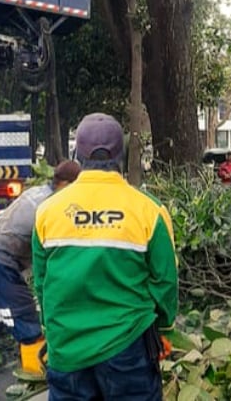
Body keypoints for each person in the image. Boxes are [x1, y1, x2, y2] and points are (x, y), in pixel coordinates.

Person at [33, 112, 178, 400]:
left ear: (77, 155)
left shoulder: (48, 211)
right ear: (122, 155)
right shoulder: (149, 210)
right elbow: (165, 282)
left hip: (67, 347)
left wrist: (54, 331)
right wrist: (164, 328)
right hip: (128, 346)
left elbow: (41, 282)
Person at [0, 160, 81, 401]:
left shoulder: (37, 192)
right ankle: (36, 389)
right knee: (29, 327)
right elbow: (52, 254)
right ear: (69, 185)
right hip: (1, 266)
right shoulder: (52, 207)